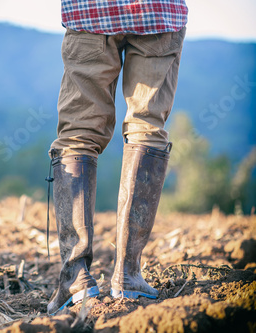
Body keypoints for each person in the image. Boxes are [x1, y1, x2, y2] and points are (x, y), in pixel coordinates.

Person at [47, 0, 188, 315]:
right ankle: (128, 274)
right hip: (157, 12)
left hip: (90, 11)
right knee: (147, 128)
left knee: (78, 134)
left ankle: (76, 277)